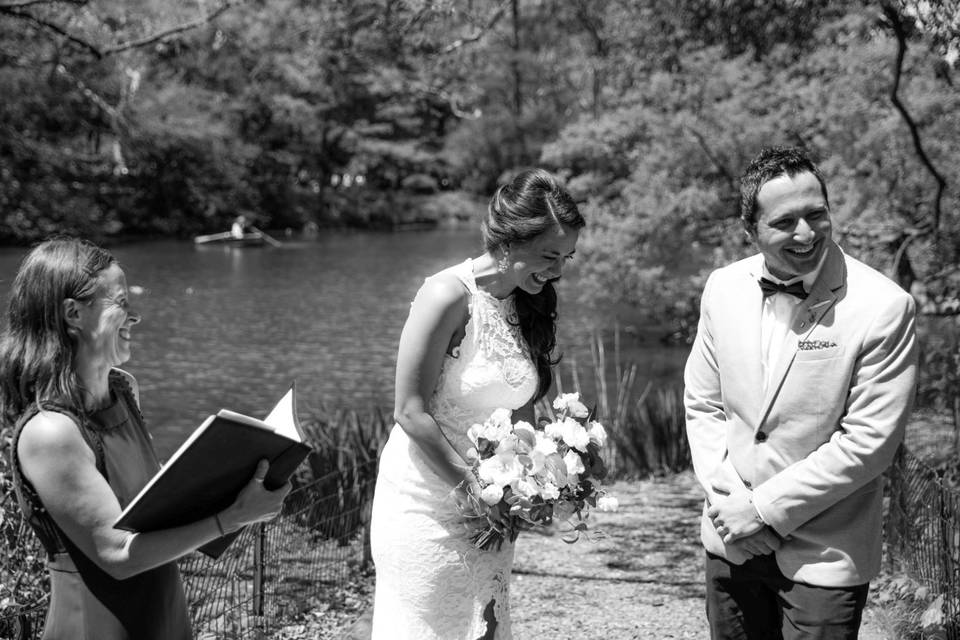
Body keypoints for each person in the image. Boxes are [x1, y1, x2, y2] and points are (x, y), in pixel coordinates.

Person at [0, 237, 290, 640]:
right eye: (120, 303)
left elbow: (154, 511)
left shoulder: (124, 391)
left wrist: (247, 485)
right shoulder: (50, 431)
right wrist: (231, 518)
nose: (134, 317)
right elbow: (116, 553)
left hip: (164, 619)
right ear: (73, 314)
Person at [683, 145, 918, 639]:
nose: (806, 233)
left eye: (816, 214)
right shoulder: (722, 288)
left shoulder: (884, 306)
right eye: (785, 222)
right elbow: (702, 403)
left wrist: (763, 511)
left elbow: (868, 443)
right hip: (730, 543)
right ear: (750, 229)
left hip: (825, 553)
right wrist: (731, 505)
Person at [368, 168, 584, 638]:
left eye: (567, 257)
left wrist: (535, 482)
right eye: (549, 256)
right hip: (424, 503)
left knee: (483, 626)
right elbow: (408, 411)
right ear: (508, 240)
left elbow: (523, 404)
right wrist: (474, 490)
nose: (558, 271)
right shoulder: (446, 295)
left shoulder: (530, 300)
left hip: (492, 503)